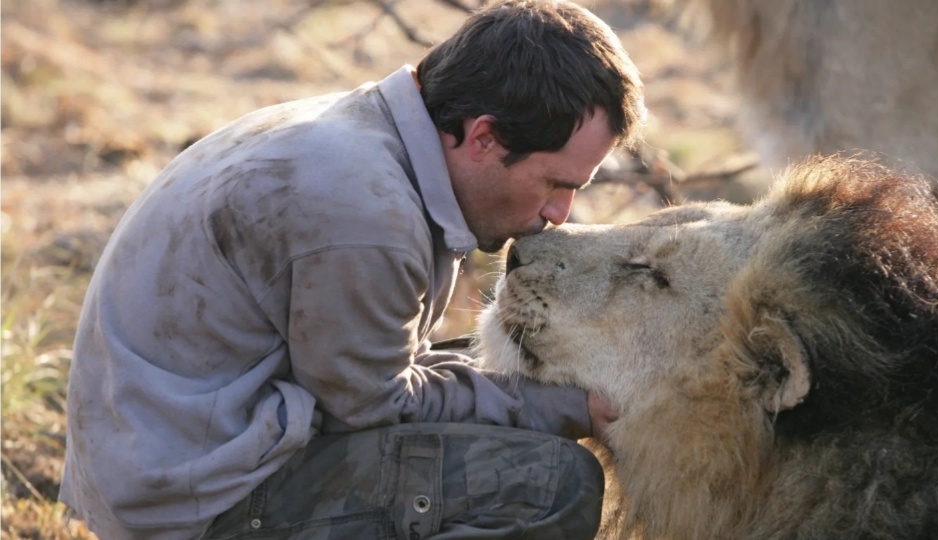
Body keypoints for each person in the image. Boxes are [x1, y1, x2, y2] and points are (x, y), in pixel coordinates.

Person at [59, 0, 646, 538]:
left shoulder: (367, 136)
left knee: (488, 371)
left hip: (177, 443)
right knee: (550, 483)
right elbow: (373, 405)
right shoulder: (366, 213)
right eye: (554, 183)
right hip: (199, 498)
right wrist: (565, 408)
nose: (558, 214)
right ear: (484, 138)